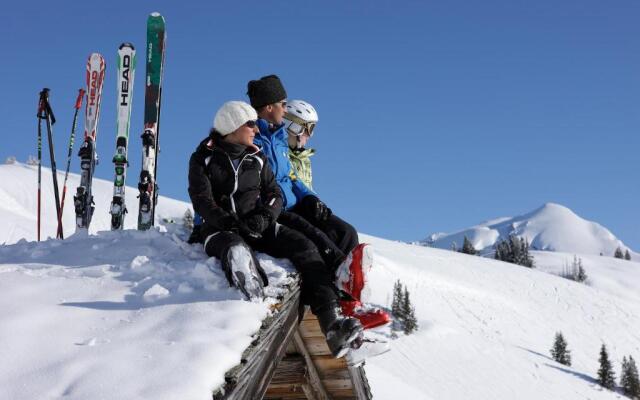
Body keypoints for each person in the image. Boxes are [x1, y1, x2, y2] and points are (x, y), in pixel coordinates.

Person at [188, 101, 363, 357]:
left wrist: (264, 216)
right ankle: (244, 271)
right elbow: (202, 200)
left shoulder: (256, 156)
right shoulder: (203, 157)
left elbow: (274, 194)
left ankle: (332, 323)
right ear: (233, 126)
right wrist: (229, 222)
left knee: (306, 247)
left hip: (256, 224)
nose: (256, 129)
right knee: (232, 244)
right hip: (219, 228)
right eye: (250, 124)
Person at [246, 76, 389, 329]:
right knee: (315, 239)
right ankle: (342, 281)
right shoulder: (254, 139)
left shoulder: (277, 137)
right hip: (277, 209)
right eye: (282, 102)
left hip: (293, 202)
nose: (284, 106)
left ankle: (350, 304)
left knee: (344, 231)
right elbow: (263, 183)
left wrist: (310, 197)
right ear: (270, 107)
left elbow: (290, 175)